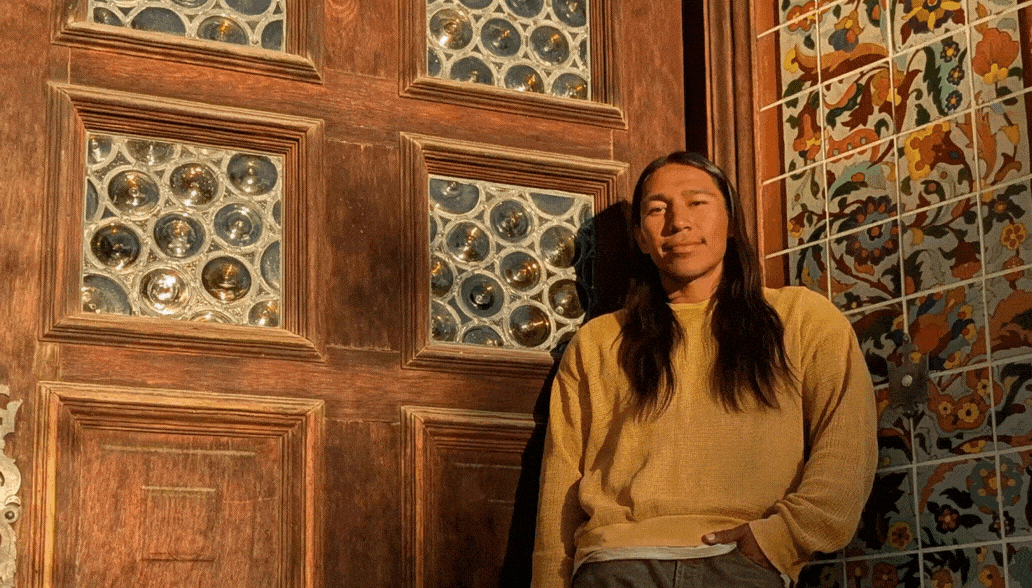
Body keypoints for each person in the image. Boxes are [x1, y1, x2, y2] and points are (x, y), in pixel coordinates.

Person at [531, 152, 878, 588]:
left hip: (740, 565)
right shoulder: (599, 341)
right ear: (641, 238)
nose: (678, 222)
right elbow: (560, 481)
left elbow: (848, 445)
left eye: (697, 203)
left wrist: (781, 539)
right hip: (616, 565)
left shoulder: (803, 318)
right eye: (656, 210)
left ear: (731, 222)